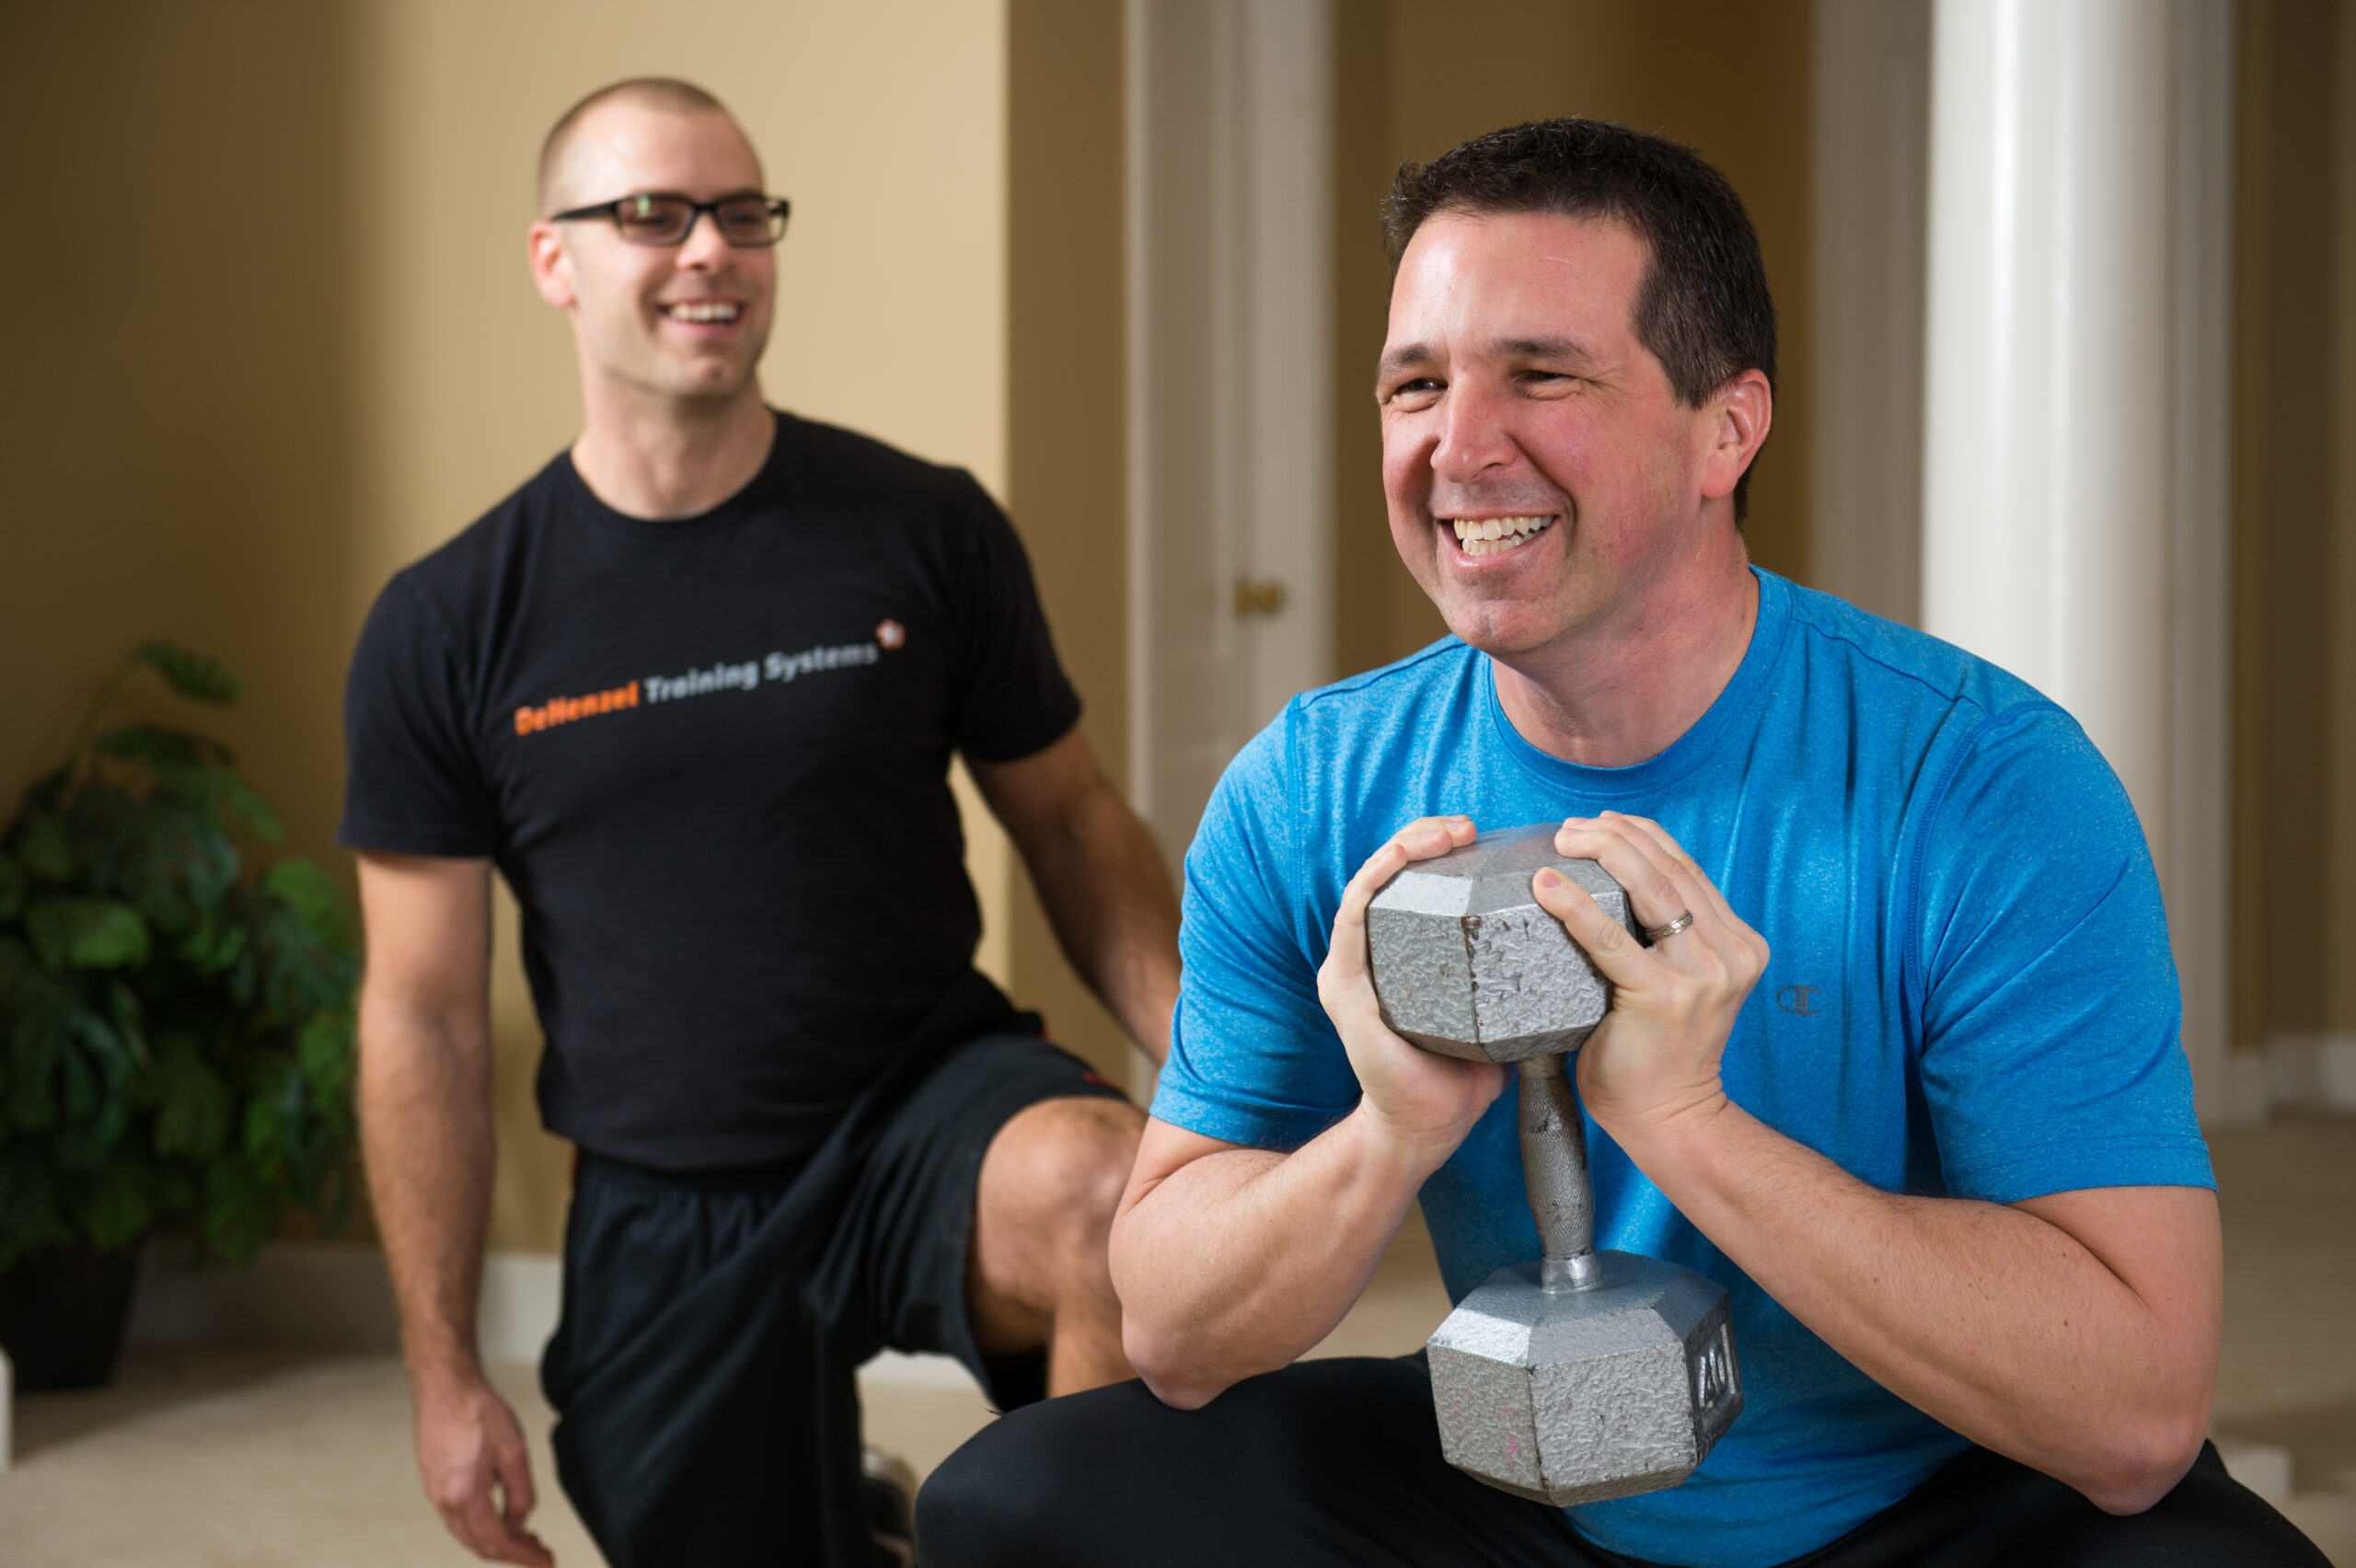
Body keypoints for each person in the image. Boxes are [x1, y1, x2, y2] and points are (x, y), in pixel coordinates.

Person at [916, 119, 2327, 1567]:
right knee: (1018, 1509)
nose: (1458, 448)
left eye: (1542, 375)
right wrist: (1388, 1132)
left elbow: (2140, 1410)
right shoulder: (1314, 789)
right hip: (1514, 1471)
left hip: (1917, 1496)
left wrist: (1689, 1126)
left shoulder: (1979, 780)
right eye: (1417, 385)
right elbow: (1173, 1328)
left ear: (1728, 427)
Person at [340, 77, 1180, 1568]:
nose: (709, 250)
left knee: (1109, 1195)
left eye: (742, 213)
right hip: (667, 1191)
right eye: (651, 215)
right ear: (556, 260)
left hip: (926, 1103)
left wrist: (1214, 1074)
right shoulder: (448, 624)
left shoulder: (927, 527)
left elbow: (1071, 822)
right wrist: (442, 1371)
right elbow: (421, 1017)